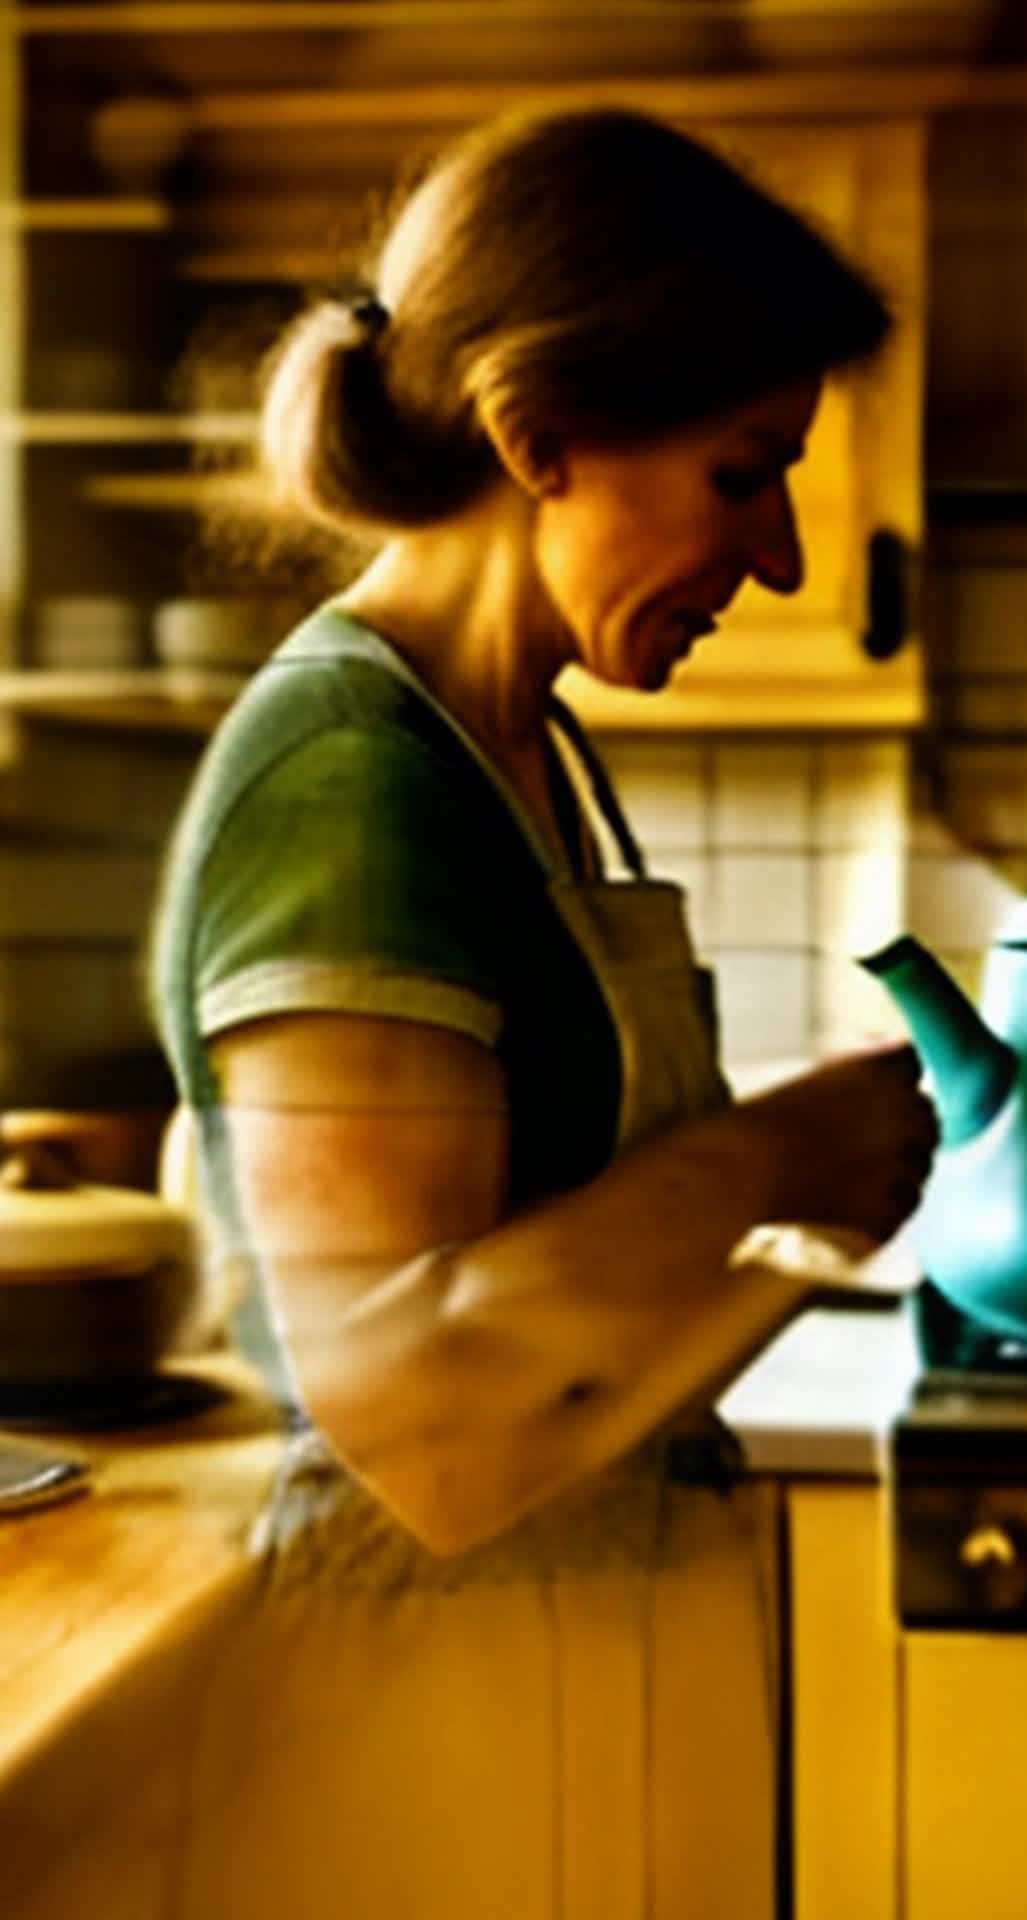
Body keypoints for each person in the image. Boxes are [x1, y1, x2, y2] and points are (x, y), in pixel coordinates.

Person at [151, 104, 937, 1920]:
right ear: (536, 437)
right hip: (419, 1737)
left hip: (579, 1672)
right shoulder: (351, 780)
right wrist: (783, 1150)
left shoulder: (531, 751)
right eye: (748, 473)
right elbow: (416, 1411)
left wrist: (819, 1189)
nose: (789, 556)